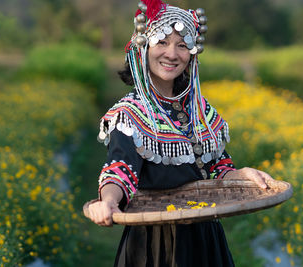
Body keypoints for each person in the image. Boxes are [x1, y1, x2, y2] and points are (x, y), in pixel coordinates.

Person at [88, 1, 275, 266]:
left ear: (192, 54)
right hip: (155, 243)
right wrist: (107, 201)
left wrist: (242, 175)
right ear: (143, 47)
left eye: (183, 45)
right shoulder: (131, 113)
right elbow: (120, 170)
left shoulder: (199, 109)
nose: (172, 54)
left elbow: (217, 169)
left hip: (205, 236)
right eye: (162, 42)